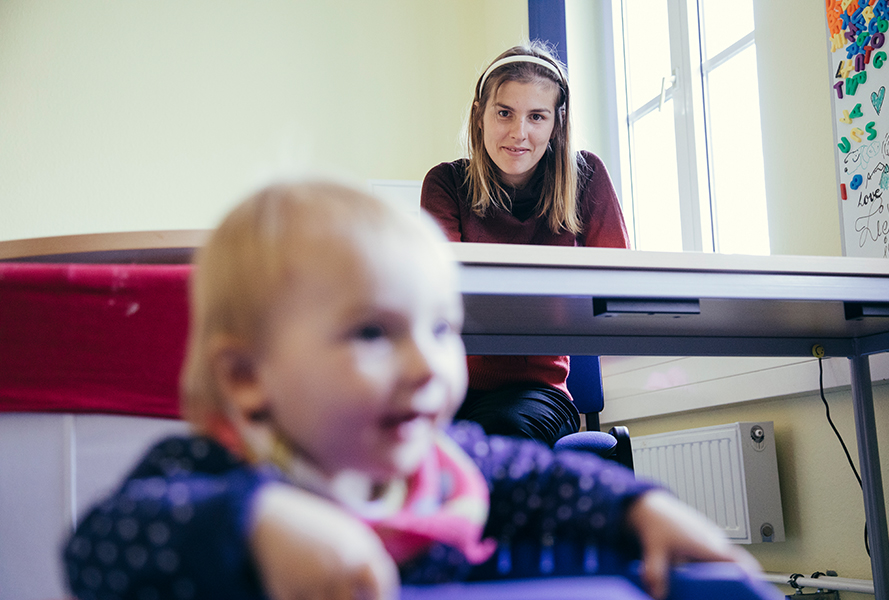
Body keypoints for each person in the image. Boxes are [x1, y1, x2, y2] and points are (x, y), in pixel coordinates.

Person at [62, 181, 756, 600]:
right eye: (372, 333)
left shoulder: (454, 465)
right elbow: (95, 549)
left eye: (442, 328)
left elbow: (556, 482)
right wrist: (257, 524)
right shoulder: (216, 476)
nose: (428, 367)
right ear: (248, 379)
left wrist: (645, 512)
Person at [421, 41, 630, 446]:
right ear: (479, 115)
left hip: (540, 394)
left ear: (557, 123)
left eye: (537, 116)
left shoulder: (586, 178)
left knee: (497, 437)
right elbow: (440, 293)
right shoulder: (445, 183)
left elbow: (617, 292)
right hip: (452, 389)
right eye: (504, 113)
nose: (519, 133)